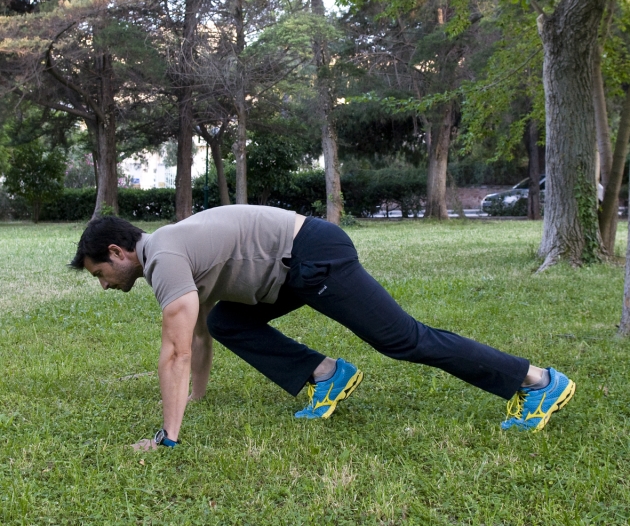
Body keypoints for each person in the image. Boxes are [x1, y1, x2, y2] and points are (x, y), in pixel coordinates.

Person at [69, 206, 575, 450]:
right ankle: (325, 374)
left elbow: (176, 351)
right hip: (289, 268)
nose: (105, 285)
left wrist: (167, 439)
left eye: (100, 274)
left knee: (403, 340)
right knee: (226, 320)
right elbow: (199, 334)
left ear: (118, 253)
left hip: (313, 256)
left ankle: (536, 381)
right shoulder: (171, 249)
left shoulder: (164, 259)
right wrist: (196, 398)